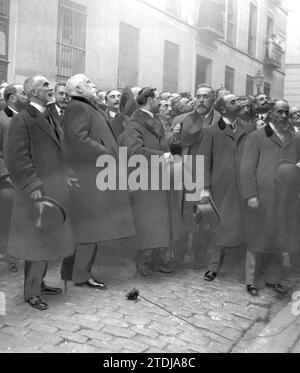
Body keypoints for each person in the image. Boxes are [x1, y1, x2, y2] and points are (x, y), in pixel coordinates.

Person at [6, 75, 74, 310]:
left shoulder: (50, 115)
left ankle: (41, 283)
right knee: (36, 244)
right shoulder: (23, 120)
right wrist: (33, 186)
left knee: (48, 240)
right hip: (36, 193)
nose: (50, 88)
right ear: (33, 92)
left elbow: (59, 150)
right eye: (45, 85)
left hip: (55, 189)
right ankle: (31, 292)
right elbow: (17, 158)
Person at [61, 74, 135, 288]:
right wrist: (106, 153)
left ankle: (74, 273)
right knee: (89, 230)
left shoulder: (87, 107)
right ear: (78, 89)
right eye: (88, 83)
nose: (93, 85)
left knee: (89, 229)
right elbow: (77, 139)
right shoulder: (78, 108)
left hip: (94, 176)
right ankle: (81, 275)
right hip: (90, 178)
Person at [120, 87, 184, 277]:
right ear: (149, 99)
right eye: (158, 99)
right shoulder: (135, 123)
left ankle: (157, 261)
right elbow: (133, 152)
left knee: (160, 221)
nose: (162, 102)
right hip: (145, 179)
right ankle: (144, 263)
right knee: (147, 222)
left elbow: (159, 145)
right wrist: (163, 156)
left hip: (159, 179)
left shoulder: (154, 120)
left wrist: (173, 143)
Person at [240, 100, 300, 296]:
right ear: (270, 114)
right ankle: (251, 281)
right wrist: (250, 194)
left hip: (286, 198)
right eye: (279, 112)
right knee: (257, 238)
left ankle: (273, 279)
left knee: (279, 238)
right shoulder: (256, 137)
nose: (283, 116)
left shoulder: (294, 138)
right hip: (262, 198)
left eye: (286, 113)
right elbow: (247, 168)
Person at [200, 94, 255, 282]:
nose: (238, 104)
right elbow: (204, 160)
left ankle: (242, 267)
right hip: (221, 187)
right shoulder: (210, 131)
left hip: (244, 185)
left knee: (245, 224)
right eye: (233, 102)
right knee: (219, 225)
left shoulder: (248, 128)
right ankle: (214, 266)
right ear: (222, 109)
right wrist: (205, 188)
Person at [172, 84, 220, 269]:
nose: (201, 100)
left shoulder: (219, 122)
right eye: (198, 96)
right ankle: (177, 259)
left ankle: (200, 258)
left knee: (204, 217)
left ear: (213, 99)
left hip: (208, 174)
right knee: (183, 216)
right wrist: (174, 138)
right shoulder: (182, 119)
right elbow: (173, 147)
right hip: (185, 174)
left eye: (205, 96)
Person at [0, 84, 28, 272]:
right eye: (23, 94)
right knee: (8, 218)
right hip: (7, 179)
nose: (26, 96)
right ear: (11, 98)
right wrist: (5, 174)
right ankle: (8, 255)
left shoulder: (27, 118)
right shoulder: (1, 119)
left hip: (25, 176)